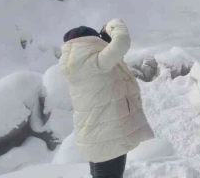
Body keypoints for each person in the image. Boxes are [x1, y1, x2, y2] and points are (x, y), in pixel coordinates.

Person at [59, 20, 154, 178]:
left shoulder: (74, 66)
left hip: (92, 138)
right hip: (108, 138)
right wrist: (111, 25)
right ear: (90, 42)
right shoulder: (97, 62)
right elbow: (122, 40)